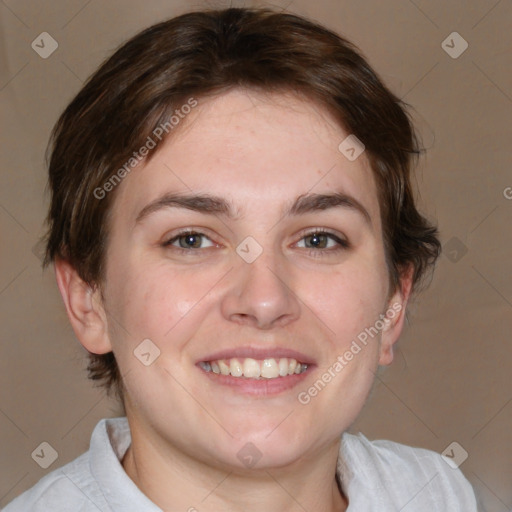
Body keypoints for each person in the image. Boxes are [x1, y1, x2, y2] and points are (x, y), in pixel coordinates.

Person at [4, 6, 479, 511]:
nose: (265, 300)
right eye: (190, 240)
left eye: (319, 240)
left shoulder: (435, 494)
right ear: (88, 300)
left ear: (393, 305)